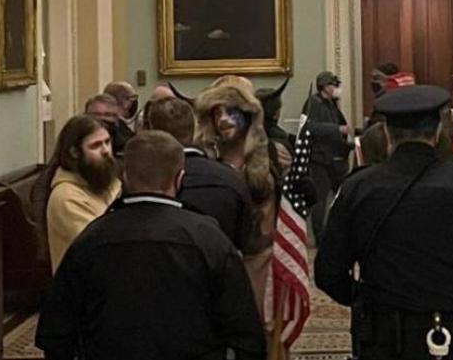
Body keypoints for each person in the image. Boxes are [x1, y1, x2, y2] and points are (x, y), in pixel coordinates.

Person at [315, 85, 453, 360]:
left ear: (388, 134)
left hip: (384, 339)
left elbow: (328, 273)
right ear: (438, 131)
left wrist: (367, 301)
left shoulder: (358, 188)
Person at [36, 131, 266, 360]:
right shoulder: (209, 239)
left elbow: (56, 334)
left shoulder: (91, 239)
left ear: (125, 177)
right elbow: (246, 334)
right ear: (179, 179)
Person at [194, 77, 279, 316]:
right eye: (216, 112)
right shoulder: (203, 163)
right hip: (214, 263)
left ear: (248, 114)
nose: (222, 119)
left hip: (258, 264)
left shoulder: (274, 157)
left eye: (231, 111)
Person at [150, 96, 253, 252]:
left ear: (152, 132)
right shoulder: (231, 179)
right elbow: (246, 245)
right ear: (194, 129)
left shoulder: (144, 179)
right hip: (219, 267)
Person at [46, 114, 121, 271]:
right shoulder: (66, 197)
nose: (106, 151)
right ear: (74, 152)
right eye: (95, 146)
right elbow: (101, 247)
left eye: (107, 142)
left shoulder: (110, 182)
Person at [302, 70, 351, 240]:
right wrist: (336, 129)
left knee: (343, 196)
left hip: (334, 158)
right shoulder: (313, 103)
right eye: (334, 85)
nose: (337, 88)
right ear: (325, 86)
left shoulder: (331, 104)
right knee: (320, 200)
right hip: (319, 159)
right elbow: (309, 128)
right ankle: (319, 236)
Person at [86, 92, 130, 157]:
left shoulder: (128, 142)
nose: (101, 118)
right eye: (96, 114)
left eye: (107, 115)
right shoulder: (76, 138)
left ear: (116, 118)